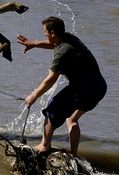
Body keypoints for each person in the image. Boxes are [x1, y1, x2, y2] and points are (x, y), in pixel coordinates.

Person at [17, 16, 106, 155]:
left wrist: (33, 96)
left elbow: (51, 79)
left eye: (45, 32)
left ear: (52, 32)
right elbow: (52, 44)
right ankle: (73, 153)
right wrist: (33, 44)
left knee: (52, 108)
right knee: (71, 118)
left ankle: (44, 146)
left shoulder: (63, 52)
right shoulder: (67, 38)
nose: (44, 34)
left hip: (84, 87)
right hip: (99, 86)